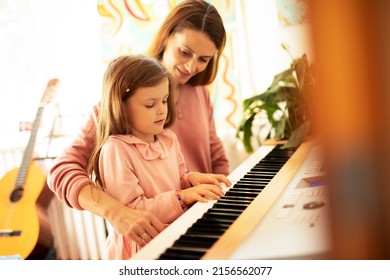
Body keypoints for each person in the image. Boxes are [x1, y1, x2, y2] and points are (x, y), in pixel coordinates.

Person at [47, 0, 229, 252]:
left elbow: (215, 156)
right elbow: (61, 170)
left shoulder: (200, 92)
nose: (191, 67)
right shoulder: (121, 102)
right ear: (166, 37)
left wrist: (226, 200)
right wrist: (117, 212)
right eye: (184, 52)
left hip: (199, 225)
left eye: (204, 59)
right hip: (153, 239)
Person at [90, 55, 229, 259]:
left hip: (173, 233)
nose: (162, 109)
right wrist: (183, 197)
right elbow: (134, 211)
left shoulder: (168, 139)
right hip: (142, 246)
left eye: (165, 100)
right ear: (121, 105)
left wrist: (191, 179)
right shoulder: (115, 150)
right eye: (150, 104)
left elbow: (180, 177)